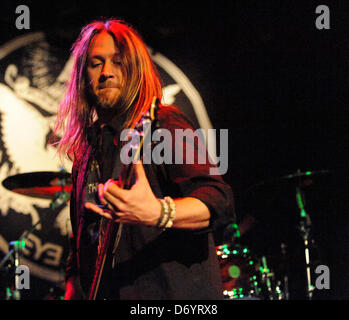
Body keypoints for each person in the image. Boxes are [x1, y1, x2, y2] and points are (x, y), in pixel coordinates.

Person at [54, 19, 235, 300]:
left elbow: (218, 199)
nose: (106, 73)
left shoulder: (163, 124)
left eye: (118, 61)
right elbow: (81, 247)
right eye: (96, 63)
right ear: (82, 76)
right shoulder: (86, 152)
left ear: (135, 68)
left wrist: (158, 213)